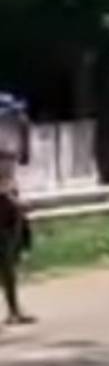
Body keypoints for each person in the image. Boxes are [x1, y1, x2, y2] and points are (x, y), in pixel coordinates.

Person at [0, 93, 33, 326]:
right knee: (5, 256)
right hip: (3, 200)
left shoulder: (10, 139)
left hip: (9, 199)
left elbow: (24, 160)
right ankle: (13, 309)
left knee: (10, 256)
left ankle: (14, 310)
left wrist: (26, 132)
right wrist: (9, 198)